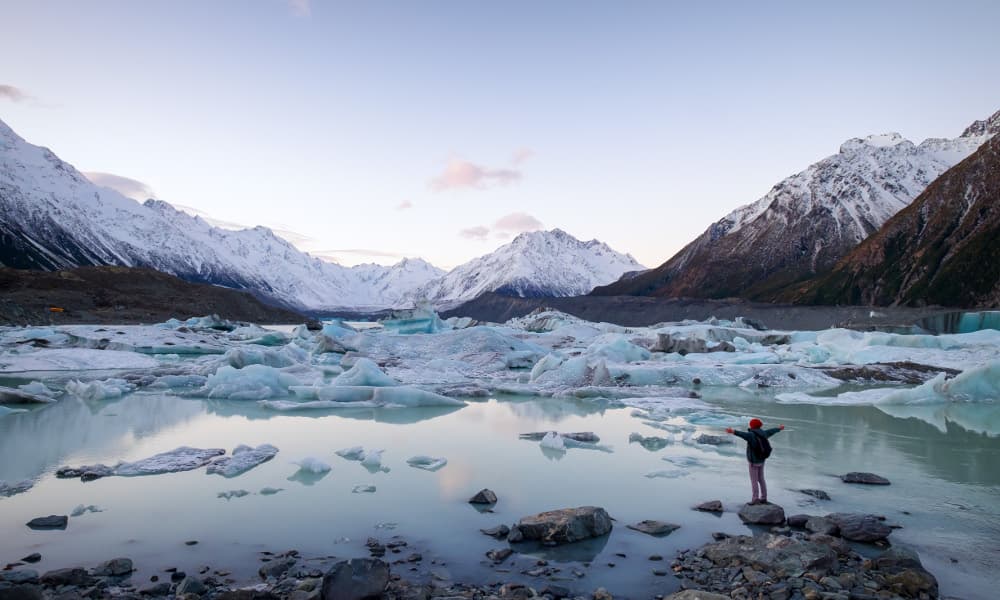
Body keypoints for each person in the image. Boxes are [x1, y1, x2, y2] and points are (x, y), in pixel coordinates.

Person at [726, 418, 784, 505]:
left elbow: (742, 434)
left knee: (754, 480)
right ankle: (764, 498)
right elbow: (772, 431)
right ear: (760, 426)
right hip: (762, 460)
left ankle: (755, 499)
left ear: (752, 426)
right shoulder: (763, 433)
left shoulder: (751, 435)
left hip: (753, 462)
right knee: (761, 479)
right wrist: (779, 428)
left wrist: (732, 431)